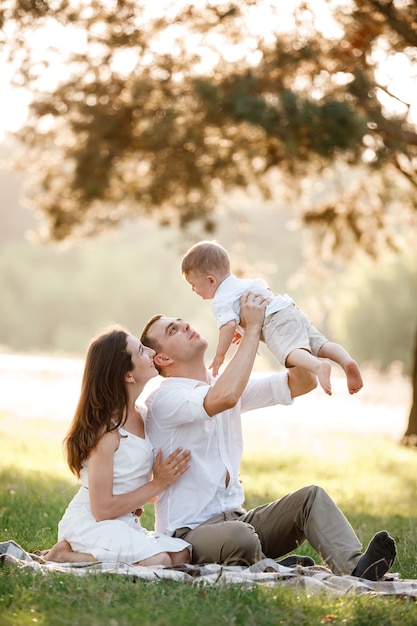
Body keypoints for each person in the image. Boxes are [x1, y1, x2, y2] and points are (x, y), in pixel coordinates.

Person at [140, 292, 396, 580]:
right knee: (242, 538)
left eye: (182, 321)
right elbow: (223, 397)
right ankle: (270, 566)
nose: (185, 326)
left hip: (240, 520)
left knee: (310, 498)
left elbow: (302, 382)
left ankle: (357, 568)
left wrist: (275, 328)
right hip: (188, 535)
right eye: (173, 329)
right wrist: (250, 328)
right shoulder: (166, 399)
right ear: (162, 358)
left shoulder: (223, 385)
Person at [44, 326, 191, 567]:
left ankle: (92, 556)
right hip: (92, 524)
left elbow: (130, 480)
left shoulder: (143, 416)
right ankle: (66, 555)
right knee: (160, 561)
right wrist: (158, 483)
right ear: (127, 375)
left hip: (124, 522)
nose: (151, 352)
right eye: (142, 351)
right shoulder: (107, 433)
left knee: (182, 555)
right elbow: (102, 509)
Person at [181, 240, 363, 396]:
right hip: (289, 309)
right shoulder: (244, 283)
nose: (193, 290)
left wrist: (220, 355)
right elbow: (263, 295)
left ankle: (317, 367)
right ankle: (346, 361)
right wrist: (241, 329)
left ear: (211, 280)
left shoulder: (220, 301)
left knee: (289, 352)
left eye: (193, 285)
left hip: (274, 321)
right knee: (321, 345)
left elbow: (227, 327)